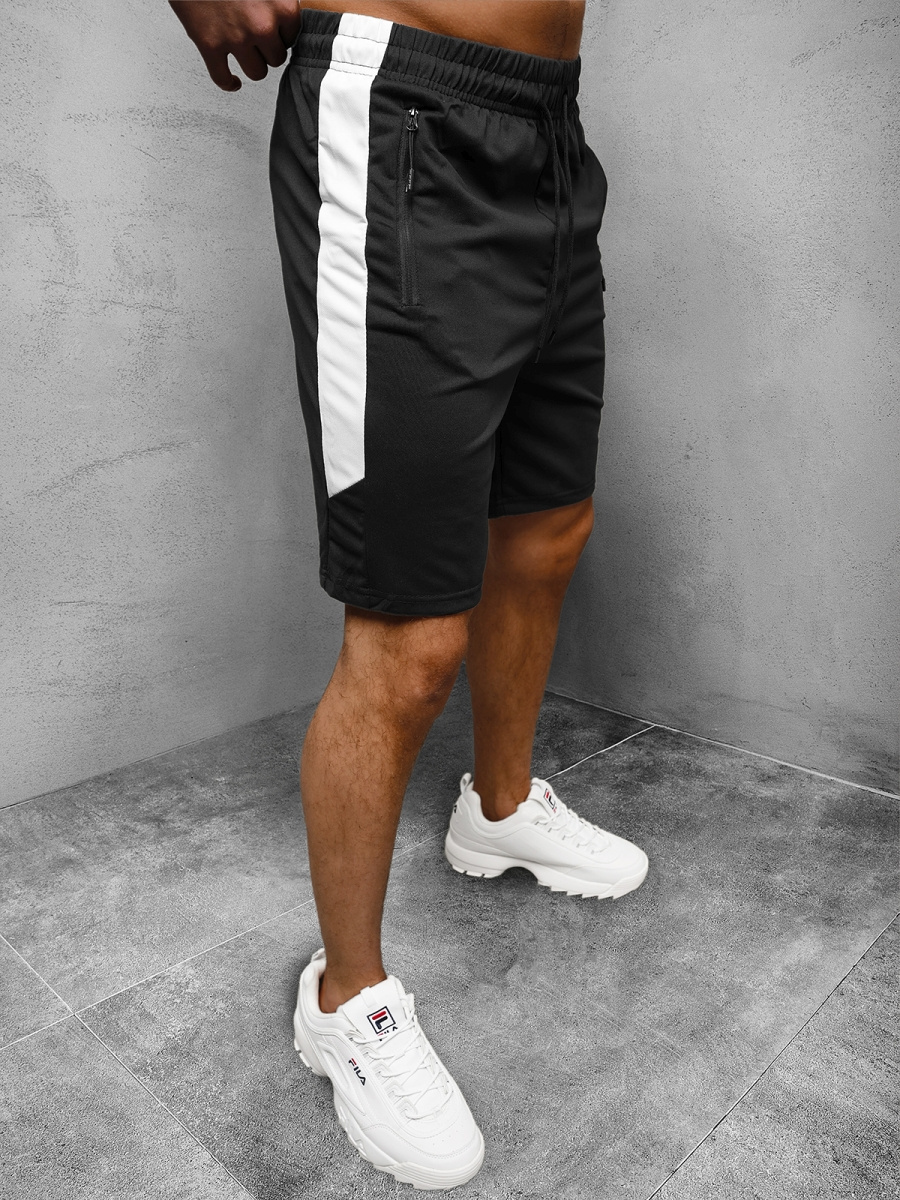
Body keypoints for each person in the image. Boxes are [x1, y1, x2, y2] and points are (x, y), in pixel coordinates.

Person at [170, 1, 648, 1189]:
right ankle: (345, 999)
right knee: (410, 633)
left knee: (545, 531)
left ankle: (498, 807)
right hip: (400, 110)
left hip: (546, 126)